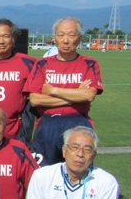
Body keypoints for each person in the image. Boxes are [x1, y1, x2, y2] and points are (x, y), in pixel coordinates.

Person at [23, 17, 103, 167]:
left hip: (78, 122)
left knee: (78, 168)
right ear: (54, 38)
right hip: (48, 122)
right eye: (61, 35)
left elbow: (88, 95)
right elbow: (35, 100)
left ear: (79, 38)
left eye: (71, 35)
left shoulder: (89, 64)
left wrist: (53, 90)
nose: (66, 40)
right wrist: (75, 95)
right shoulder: (42, 64)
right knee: (44, 171)